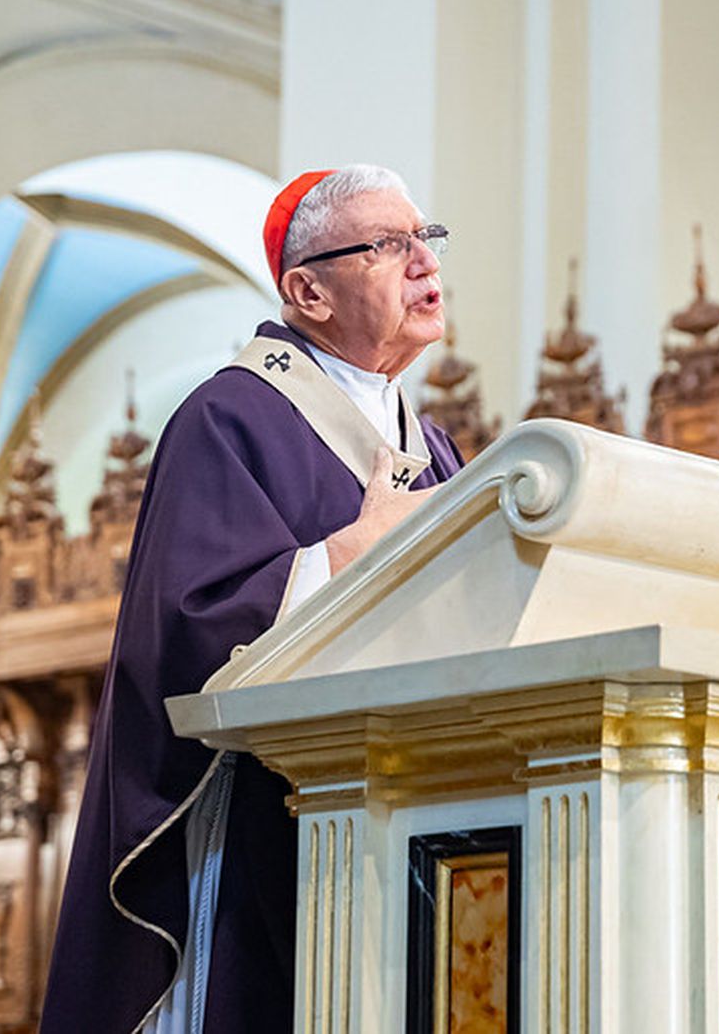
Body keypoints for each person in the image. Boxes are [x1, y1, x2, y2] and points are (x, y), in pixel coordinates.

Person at [40, 165, 465, 1032]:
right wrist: (349, 553)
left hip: (413, 809)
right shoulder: (228, 418)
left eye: (427, 238)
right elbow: (191, 627)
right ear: (308, 291)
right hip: (260, 827)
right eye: (389, 245)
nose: (425, 261)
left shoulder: (433, 445)